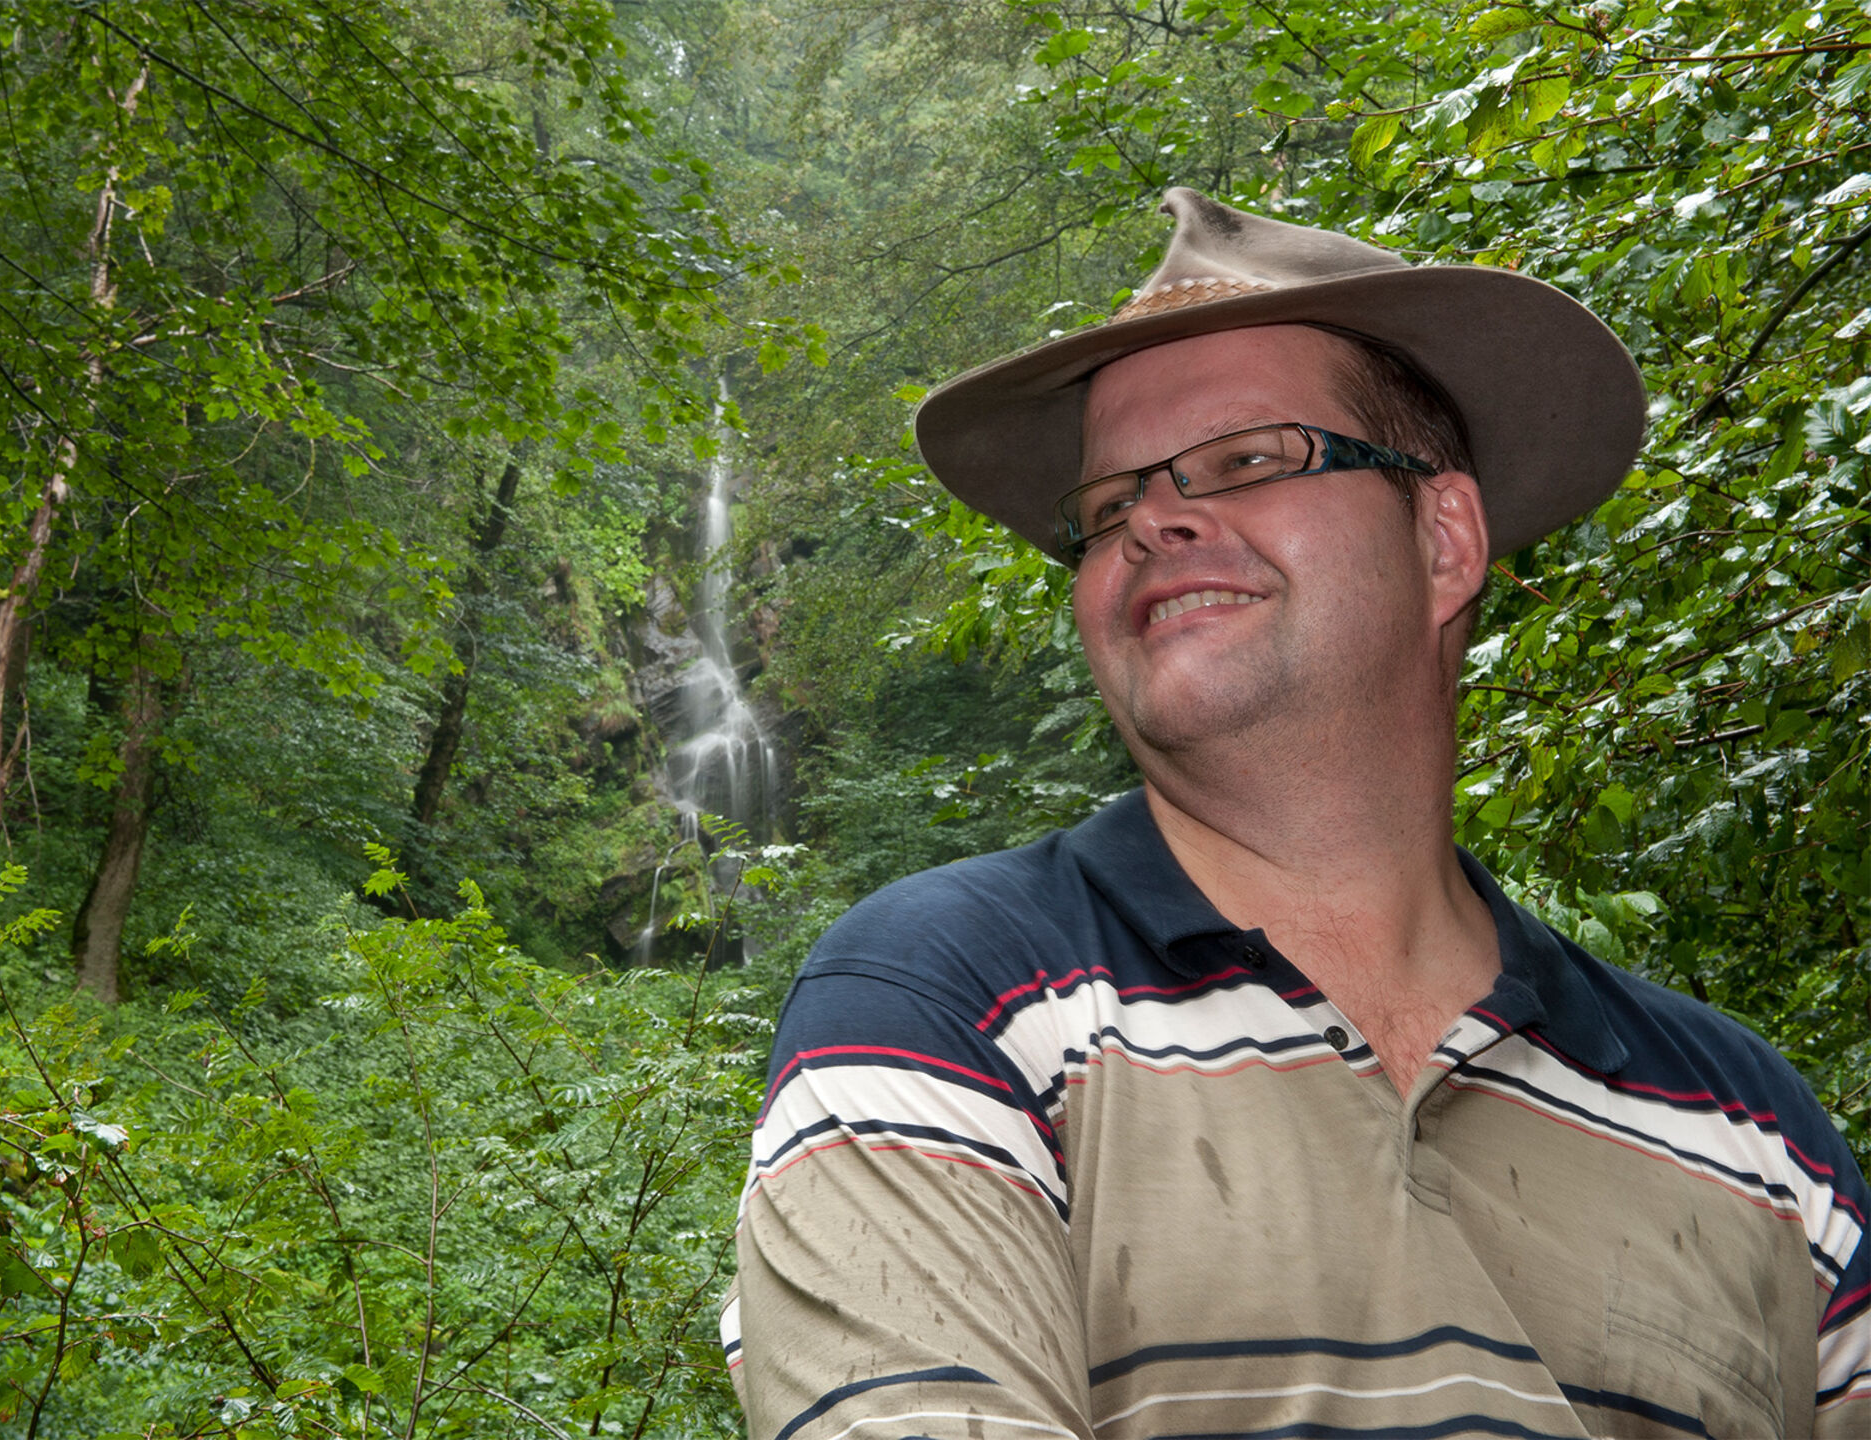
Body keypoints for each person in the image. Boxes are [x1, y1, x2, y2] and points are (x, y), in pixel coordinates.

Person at [721, 188, 1871, 1439]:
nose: (1151, 519)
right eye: (1108, 509)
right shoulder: (946, 1001)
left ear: (1444, 538)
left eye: (1249, 461)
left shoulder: (1759, 1133)